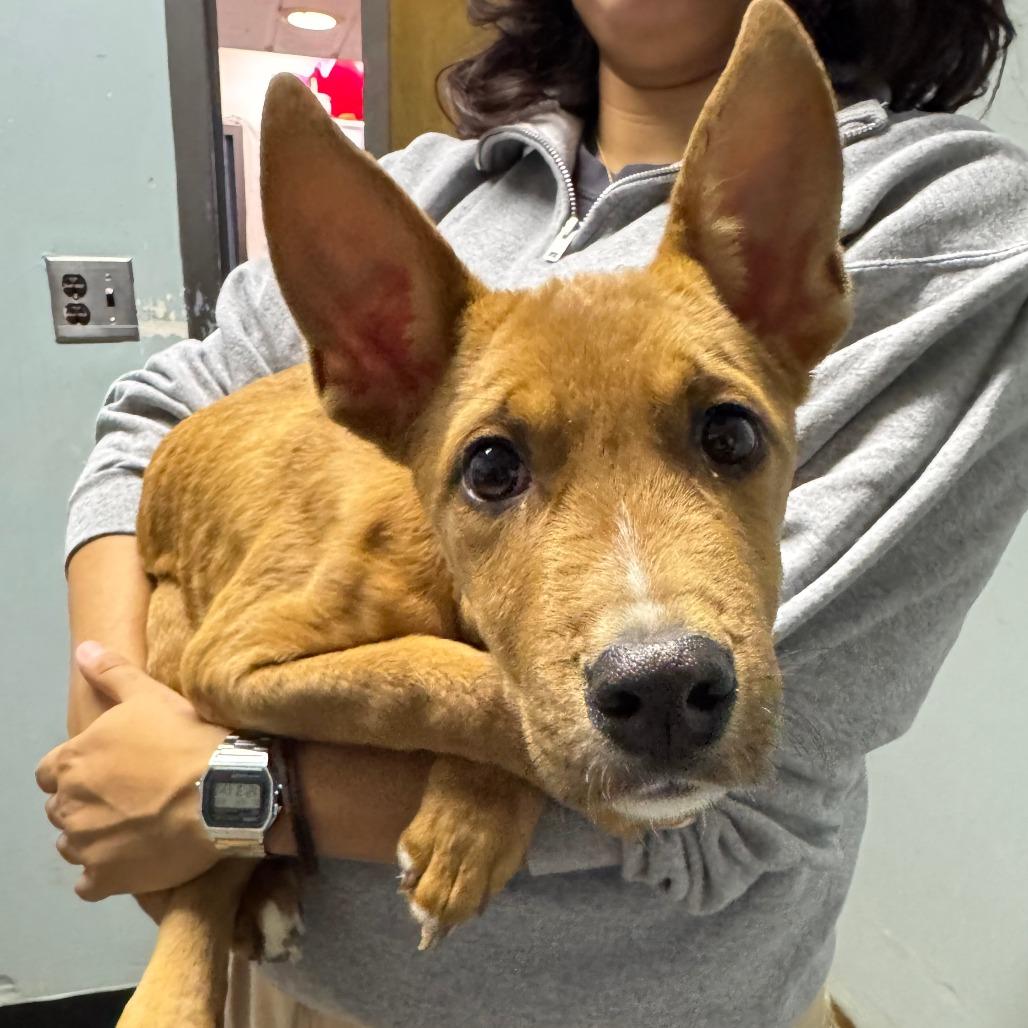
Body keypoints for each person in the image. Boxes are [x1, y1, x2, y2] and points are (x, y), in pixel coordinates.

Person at [35, 1, 1028, 1025]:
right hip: (293, 997)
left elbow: (741, 806)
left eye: (722, 439)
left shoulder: (937, 212)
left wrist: (221, 792)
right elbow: (152, 417)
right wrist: (118, 704)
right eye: (498, 469)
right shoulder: (427, 182)